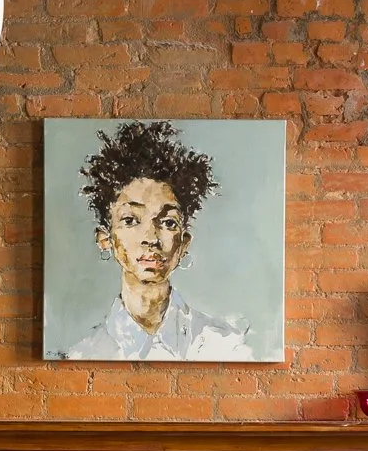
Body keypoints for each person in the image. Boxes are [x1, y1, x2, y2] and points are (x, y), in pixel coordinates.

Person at [66, 120, 256, 360]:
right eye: (130, 220)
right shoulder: (83, 354)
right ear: (105, 239)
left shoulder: (226, 347)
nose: (151, 239)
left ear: (184, 243)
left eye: (168, 223)